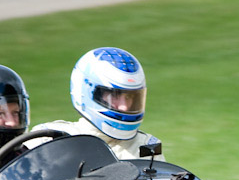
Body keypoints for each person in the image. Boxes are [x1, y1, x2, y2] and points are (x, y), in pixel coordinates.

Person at [27, 47, 164, 160]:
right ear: (88, 93)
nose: (124, 106)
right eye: (114, 96)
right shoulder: (49, 140)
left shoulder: (146, 147)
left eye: (128, 97)